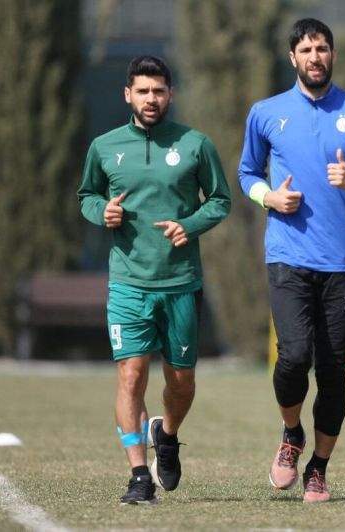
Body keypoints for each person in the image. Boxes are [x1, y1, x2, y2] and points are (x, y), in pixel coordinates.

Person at [238, 18, 345, 503]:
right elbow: (247, 173)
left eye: (323, 48)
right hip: (287, 257)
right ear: (292, 57)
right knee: (293, 358)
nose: (315, 57)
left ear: (333, 54)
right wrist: (269, 197)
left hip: (341, 264)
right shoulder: (266, 113)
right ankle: (291, 433)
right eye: (307, 49)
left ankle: (319, 469)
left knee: (332, 371)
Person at [78, 55, 231, 505]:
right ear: (128, 94)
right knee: (131, 377)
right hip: (128, 282)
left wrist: (191, 224)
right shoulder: (104, 146)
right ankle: (139, 476)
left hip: (181, 282)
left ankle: (167, 434)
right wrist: (101, 212)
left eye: (158, 91)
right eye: (143, 91)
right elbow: (87, 195)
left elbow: (220, 200)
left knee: (181, 382)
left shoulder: (195, 144)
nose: (151, 99)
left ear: (170, 95)